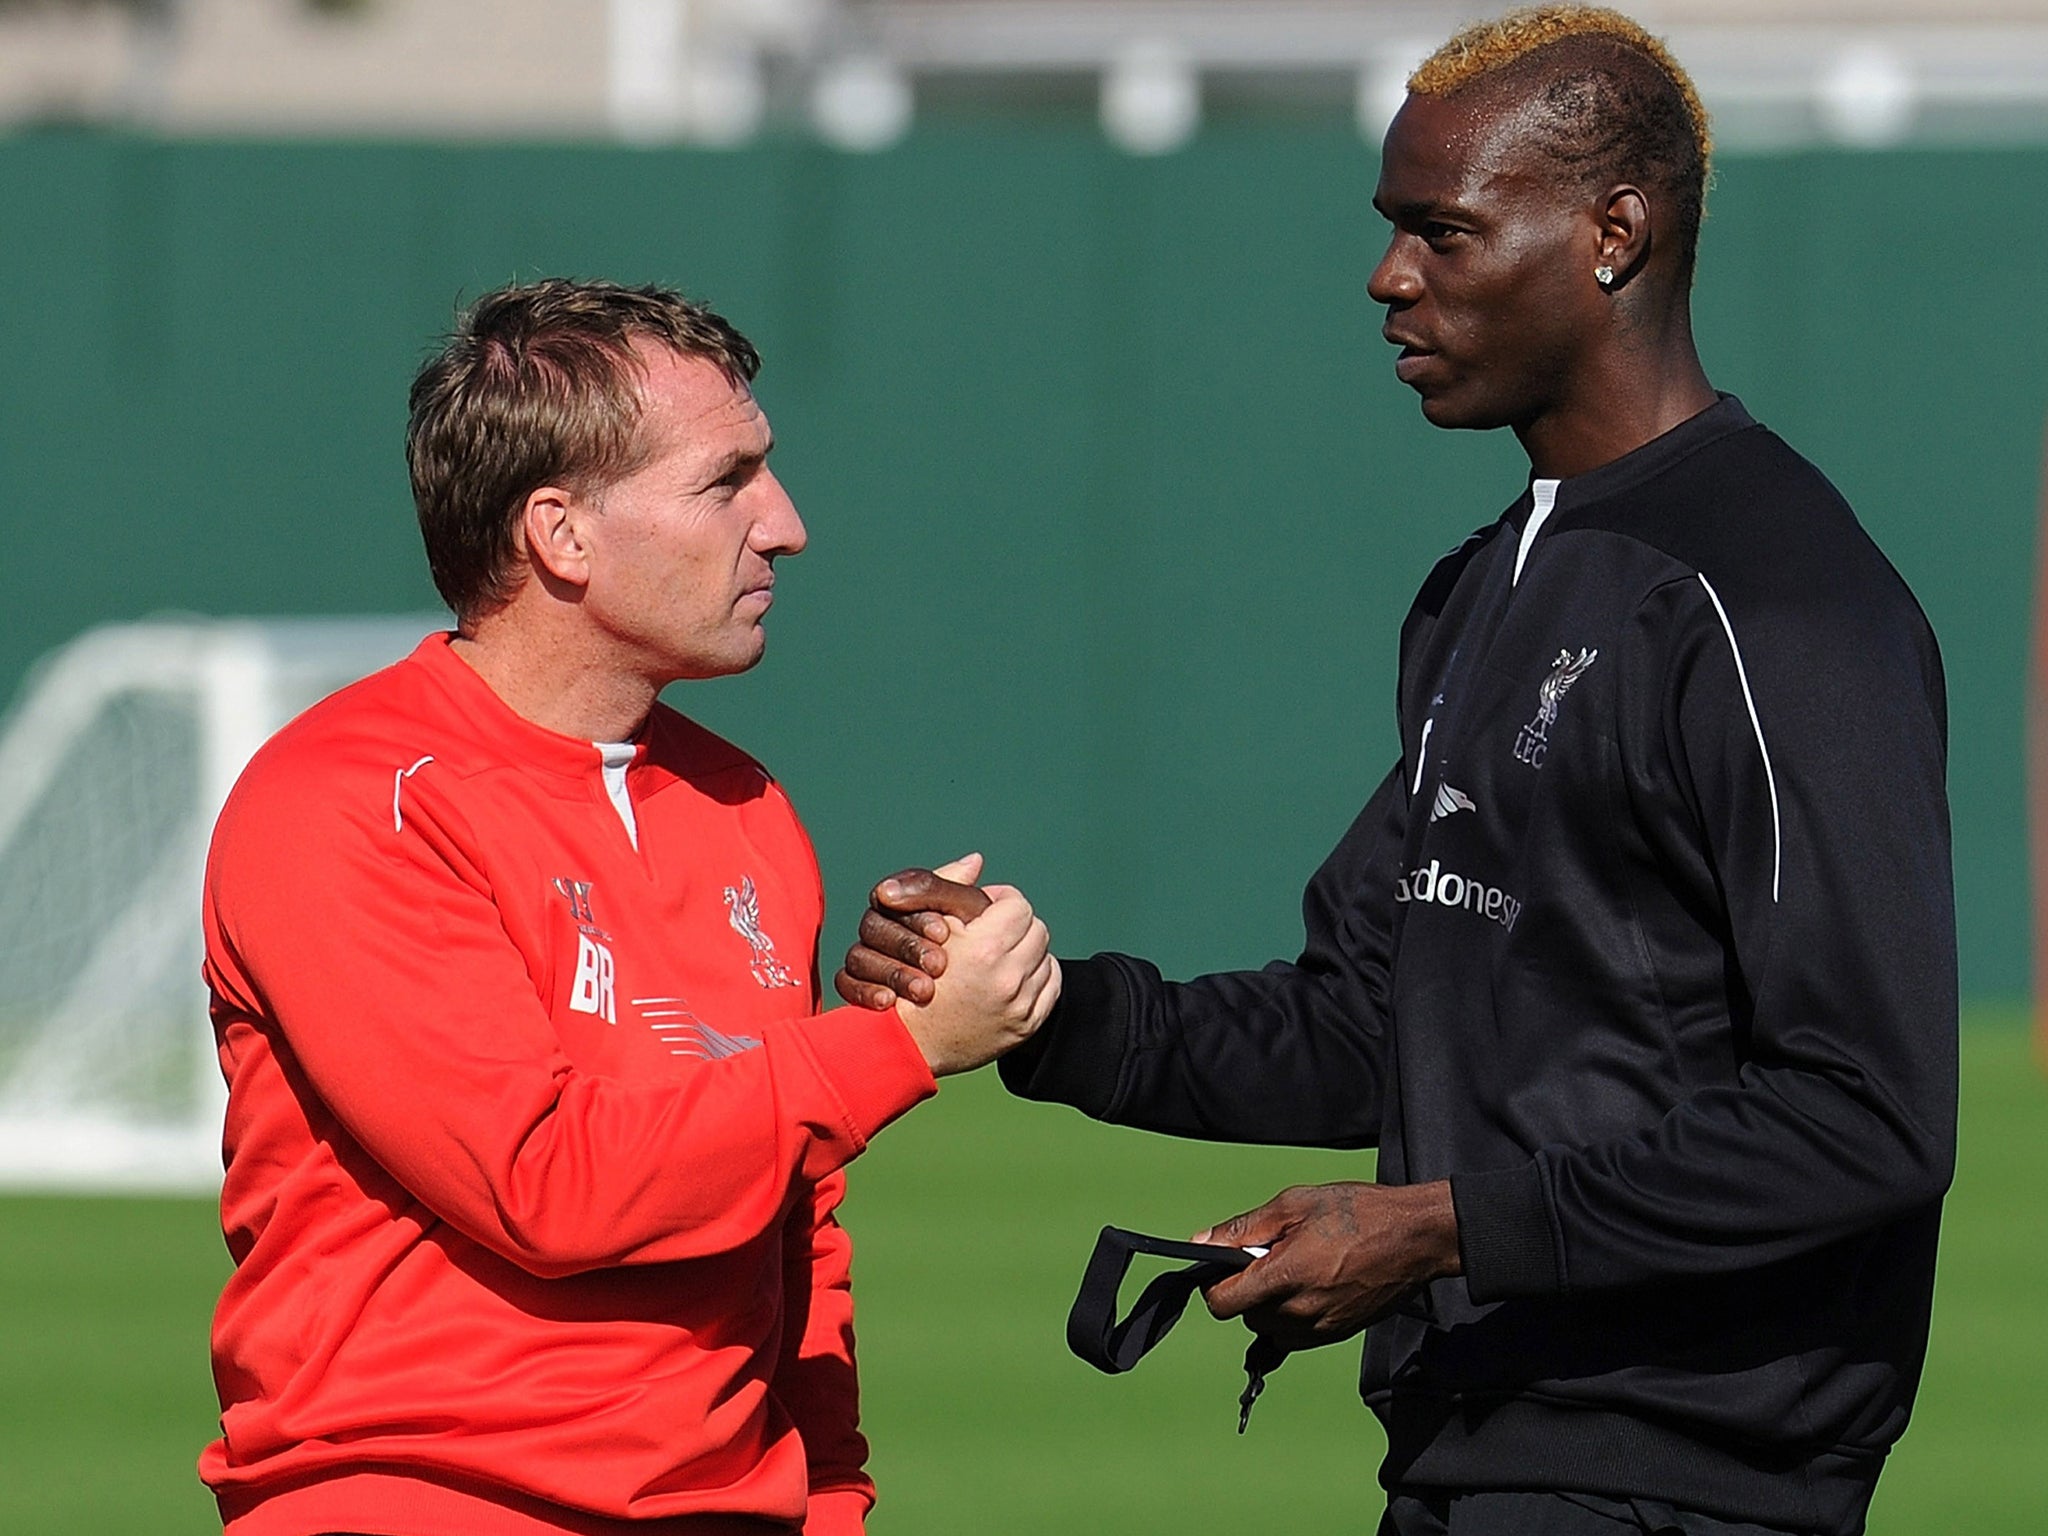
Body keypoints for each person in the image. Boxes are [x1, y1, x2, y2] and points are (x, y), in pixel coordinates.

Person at [837, 9, 1957, 1535]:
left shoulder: (1780, 602)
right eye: (1389, 230)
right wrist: (1046, 1008)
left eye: (1443, 232)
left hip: (1681, 1486)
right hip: (1469, 1458)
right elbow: (1370, 1022)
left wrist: (1440, 1228)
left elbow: (1866, 1116)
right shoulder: (1480, 586)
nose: (1389, 278)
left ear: (1613, 235)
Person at [198, 279, 1058, 1536]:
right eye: (728, 482)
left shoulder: (744, 805)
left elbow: (791, 1218)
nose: (787, 526)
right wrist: (901, 1044)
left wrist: (829, 1496)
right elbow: (543, 1181)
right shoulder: (348, 801)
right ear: (562, 533)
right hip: (420, 1505)